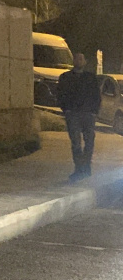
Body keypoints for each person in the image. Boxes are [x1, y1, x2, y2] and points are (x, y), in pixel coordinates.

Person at [56, 52, 101, 182]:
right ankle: (79, 168)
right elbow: (60, 94)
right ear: (73, 61)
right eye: (76, 58)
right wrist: (66, 110)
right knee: (76, 142)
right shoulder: (65, 77)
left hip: (88, 114)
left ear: (85, 61)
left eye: (81, 59)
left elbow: (96, 95)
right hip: (73, 114)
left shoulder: (90, 78)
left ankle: (86, 167)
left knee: (89, 141)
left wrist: (94, 111)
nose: (79, 61)